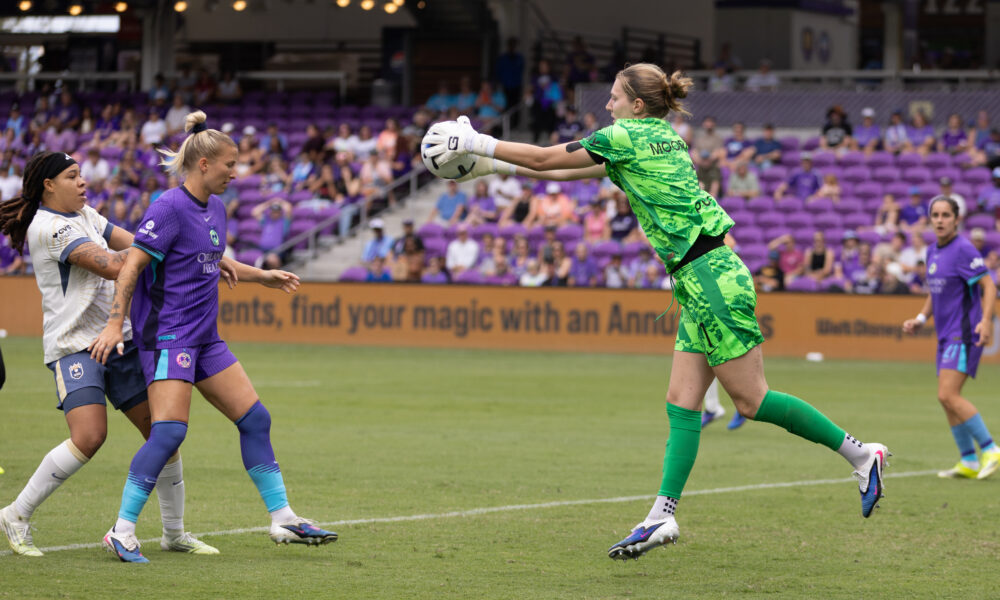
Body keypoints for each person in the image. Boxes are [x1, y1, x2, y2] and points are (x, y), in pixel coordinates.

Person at [423, 63, 890, 560]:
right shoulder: (661, 136)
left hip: (710, 277)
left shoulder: (625, 134)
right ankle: (661, 517)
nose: (607, 105)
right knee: (683, 402)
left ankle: (862, 454)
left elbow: (543, 158)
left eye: (615, 98)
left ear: (636, 104)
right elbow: (585, 166)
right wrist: (495, 167)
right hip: (701, 276)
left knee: (752, 402)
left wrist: (475, 143)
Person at [88, 111, 337, 563]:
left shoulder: (215, 209)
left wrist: (262, 276)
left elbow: (214, 261)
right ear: (204, 164)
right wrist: (112, 324)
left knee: (255, 419)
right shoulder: (168, 208)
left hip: (205, 339)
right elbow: (131, 268)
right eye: (229, 164)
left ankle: (282, 519)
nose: (235, 172)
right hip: (169, 338)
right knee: (167, 434)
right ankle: (121, 529)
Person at [0, 151, 221, 557]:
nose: (83, 181)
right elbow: (116, 264)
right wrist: (179, 248)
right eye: (72, 176)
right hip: (74, 345)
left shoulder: (88, 215)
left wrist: (183, 248)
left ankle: (174, 533)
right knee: (89, 436)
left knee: (164, 435)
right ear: (49, 185)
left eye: (82, 173)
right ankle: (15, 514)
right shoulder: (49, 227)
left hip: (118, 340)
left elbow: (137, 244)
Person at [902, 196, 1000, 480]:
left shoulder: (963, 249)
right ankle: (968, 460)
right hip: (946, 336)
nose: (940, 220)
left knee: (948, 394)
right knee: (946, 399)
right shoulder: (932, 251)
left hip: (965, 332)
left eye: (946, 215)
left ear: (956, 219)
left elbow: (989, 285)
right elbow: (935, 292)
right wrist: (920, 319)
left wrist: (985, 320)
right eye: (936, 215)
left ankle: (990, 448)